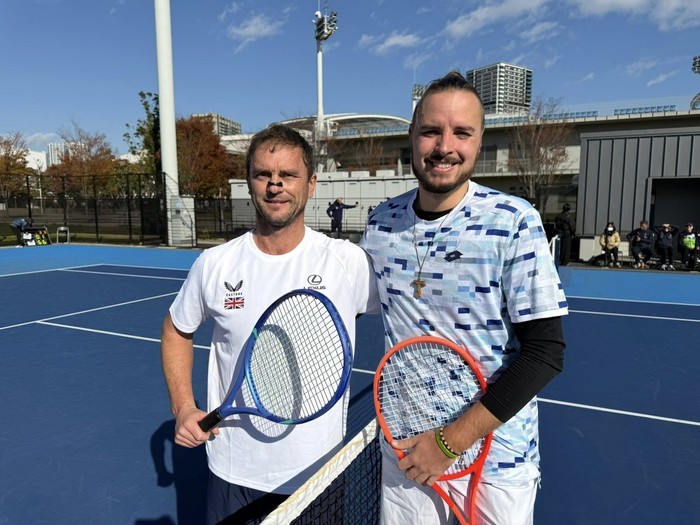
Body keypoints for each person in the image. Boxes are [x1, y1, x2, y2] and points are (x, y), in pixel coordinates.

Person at [360, 71, 568, 525]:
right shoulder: (381, 223)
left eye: (462, 132)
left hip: (496, 461)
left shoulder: (514, 221)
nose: (444, 147)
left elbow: (545, 353)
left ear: (479, 141)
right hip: (407, 450)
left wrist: (449, 443)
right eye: (431, 131)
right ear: (411, 136)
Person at [160, 124, 379, 525]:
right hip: (233, 472)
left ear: (311, 184)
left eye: (288, 175)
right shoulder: (215, 263)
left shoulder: (347, 262)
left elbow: (414, 308)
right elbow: (176, 329)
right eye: (263, 174)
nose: (275, 185)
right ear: (249, 182)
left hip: (317, 474)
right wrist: (184, 407)